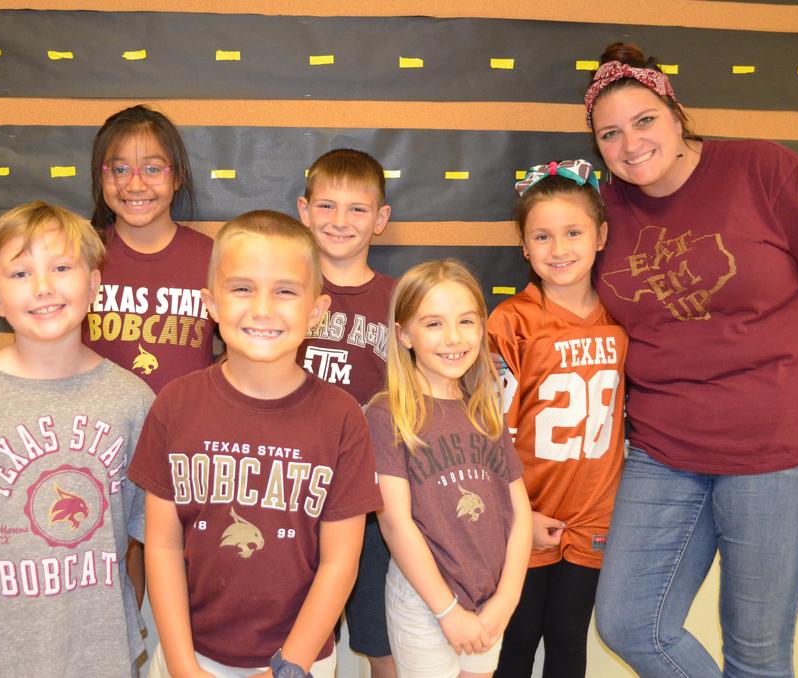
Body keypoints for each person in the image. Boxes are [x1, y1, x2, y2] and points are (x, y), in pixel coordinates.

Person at [584, 42, 798, 676]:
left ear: (676, 113)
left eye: (643, 121)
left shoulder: (764, 171)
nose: (631, 144)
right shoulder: (603, 211)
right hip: (665, 447)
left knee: (757, 647)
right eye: (610, 134)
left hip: (787, 445)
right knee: (630, 623)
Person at [128, 210, 382, 678]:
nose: (263, 308)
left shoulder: (342, 417)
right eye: (242, 288)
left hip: (299, 661)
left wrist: (289, 665)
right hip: (192, 656)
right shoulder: (174, 405)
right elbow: (161, 546)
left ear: (317, 310)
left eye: (285, 291)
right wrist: (183, 665)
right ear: (211, 303)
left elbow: (340, 561)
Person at [0, 201, 155, 678]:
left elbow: (138, 538)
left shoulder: (133, 402)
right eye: (20, 274)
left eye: (62, 267)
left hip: (100, 659)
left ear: (95, 284)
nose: (43, 287)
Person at [487, 160, 627, 678]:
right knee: (517, 638)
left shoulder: (624, 317)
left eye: (573, 232)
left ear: (601, 236)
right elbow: (491, 432)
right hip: (527, 508)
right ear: (524, 246)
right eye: (542, 236)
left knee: (569, 639)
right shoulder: (511, 322)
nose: (559, 248)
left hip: (594, 513)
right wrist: (519, 514)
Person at [368, 259, 532, 678]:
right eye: (434, 324)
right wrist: (446, 611)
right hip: (425, 601)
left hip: (490, 597)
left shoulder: (485, 409)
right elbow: (396, 524)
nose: (454, 338)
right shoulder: (389, 414)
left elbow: (519, 514)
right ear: (404, 334)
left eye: (466, 321)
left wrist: (507, 598)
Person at [296, 148, 396, 677]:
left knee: (383, 644)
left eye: (358, 209)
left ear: (381, 219)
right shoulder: (285, 294)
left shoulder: (398, 301)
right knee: (300, 640)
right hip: (291, 492)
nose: (340, 221)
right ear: (304, 210)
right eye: (327, 206)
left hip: (372, 500)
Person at [83, 104, 215, 394]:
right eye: (119, 169)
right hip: (98, 433)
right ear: (101, 177)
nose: (136, 184)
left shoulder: (213, 259)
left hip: (184, 432)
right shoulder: (78, 257)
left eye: (153, 169)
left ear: (177, 177)